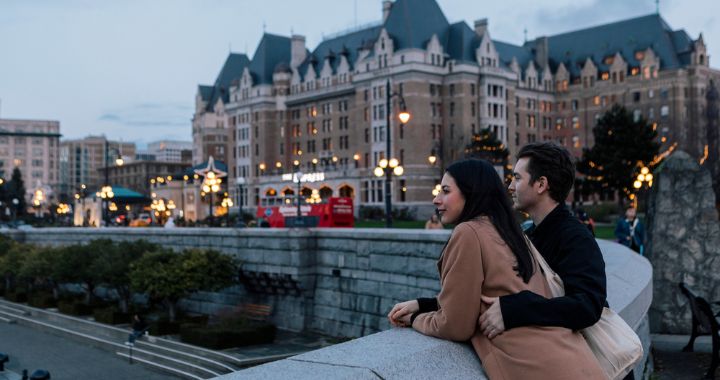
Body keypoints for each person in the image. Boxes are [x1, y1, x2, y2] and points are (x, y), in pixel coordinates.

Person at [388, 158, 605, 380]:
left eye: (445, 191)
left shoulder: (468, 233)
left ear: (470, 193)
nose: (436, 199)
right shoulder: (511, 232)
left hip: (535, 368)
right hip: (577, 361)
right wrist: (426, 304)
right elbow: (492, 293)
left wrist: (416, 319)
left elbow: (455, 326)